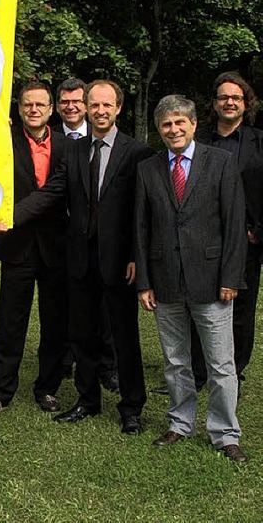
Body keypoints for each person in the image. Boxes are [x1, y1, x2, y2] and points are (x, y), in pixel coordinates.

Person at [8, 80, 151, 435]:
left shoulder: (136, 152)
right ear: (86, 107)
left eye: (107, 105)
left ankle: (131, 407)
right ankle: (87, 400)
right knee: (82, 333)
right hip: (78, 258)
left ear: (119, 108)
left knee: (123, 337)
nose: (100, 111)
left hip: (119, 261)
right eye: (94, 105)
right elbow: (53, 191)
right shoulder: (73, 151)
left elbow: (141, 211)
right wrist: (12, 216)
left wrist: (136, 255)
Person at [135, 94, 247, 462]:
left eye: (180, 122)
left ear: (194, 124)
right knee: (176, 361)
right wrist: (145, 282)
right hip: (165, 280)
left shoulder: (220, 163)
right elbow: (141, 229)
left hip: (212, 281)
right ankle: (180, 423)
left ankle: (224, 432)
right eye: (166, 124)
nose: (174, 129)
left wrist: (231, 276)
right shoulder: (148, 169)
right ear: (159, 130)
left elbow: (234, 225)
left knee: (220, 364)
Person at [0, 80, 70, 418]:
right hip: (16, 247)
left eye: (40, 105)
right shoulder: (2, 143)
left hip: (56, 248)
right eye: (27, 104)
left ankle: (47, 388)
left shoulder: (66, 146)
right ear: (18, 109)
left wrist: (13, 216)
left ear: (51, 109)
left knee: (55, 323)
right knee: (10, 322)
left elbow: (57, 193)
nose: (34, 110)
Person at [191, 72, 263, 390]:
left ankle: (235, 368)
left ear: (246, 104)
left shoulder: (260, 141)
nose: (229, 102)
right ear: (215, 103)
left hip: (247, 239)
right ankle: (198, 369)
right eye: (223, 97)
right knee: (198, 302)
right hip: (203, 238)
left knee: (241, 307)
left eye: (236, 97)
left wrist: (258, 231)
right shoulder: (198, 140)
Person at [55, 77, 119, 393]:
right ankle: (72, 366)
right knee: (73, 308)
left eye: (78, 101)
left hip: (107, 248)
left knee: (107, 313)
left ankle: (109, 368)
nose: (72, 107)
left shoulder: (121, 147)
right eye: (64, 101)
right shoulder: (58, 142)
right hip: (68, 240)